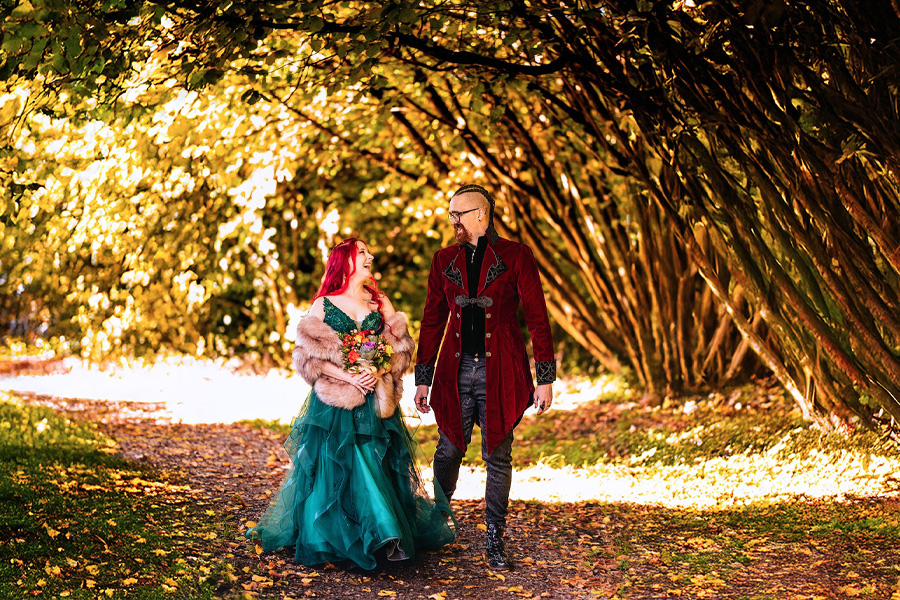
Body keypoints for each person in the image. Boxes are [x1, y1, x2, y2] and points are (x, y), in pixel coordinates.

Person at [248, 238, 456, 570]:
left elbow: (401, 351)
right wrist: (350, 378)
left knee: (376, 462)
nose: (370, 256)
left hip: (376, 401)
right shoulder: (324, 305)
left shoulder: (378, 302)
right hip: (336, 402)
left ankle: (382, 533)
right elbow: (308, 362)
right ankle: (381, 536)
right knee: (348, 464)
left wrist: (378, 367)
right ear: (345, 260)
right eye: (362, 252)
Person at [414, 184, 556, 570]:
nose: (453, 221)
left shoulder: (516, 255)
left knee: (497, 454)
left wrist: (545, 377)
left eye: (458, 214)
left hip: (501, 370)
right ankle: (438, 523)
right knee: (448, 451)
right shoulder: (443, 259)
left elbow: (537, 317)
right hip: (455, 370)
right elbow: (432, 319)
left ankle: (494, 536)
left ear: (480, 214)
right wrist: (422, 376)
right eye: (450, 215)